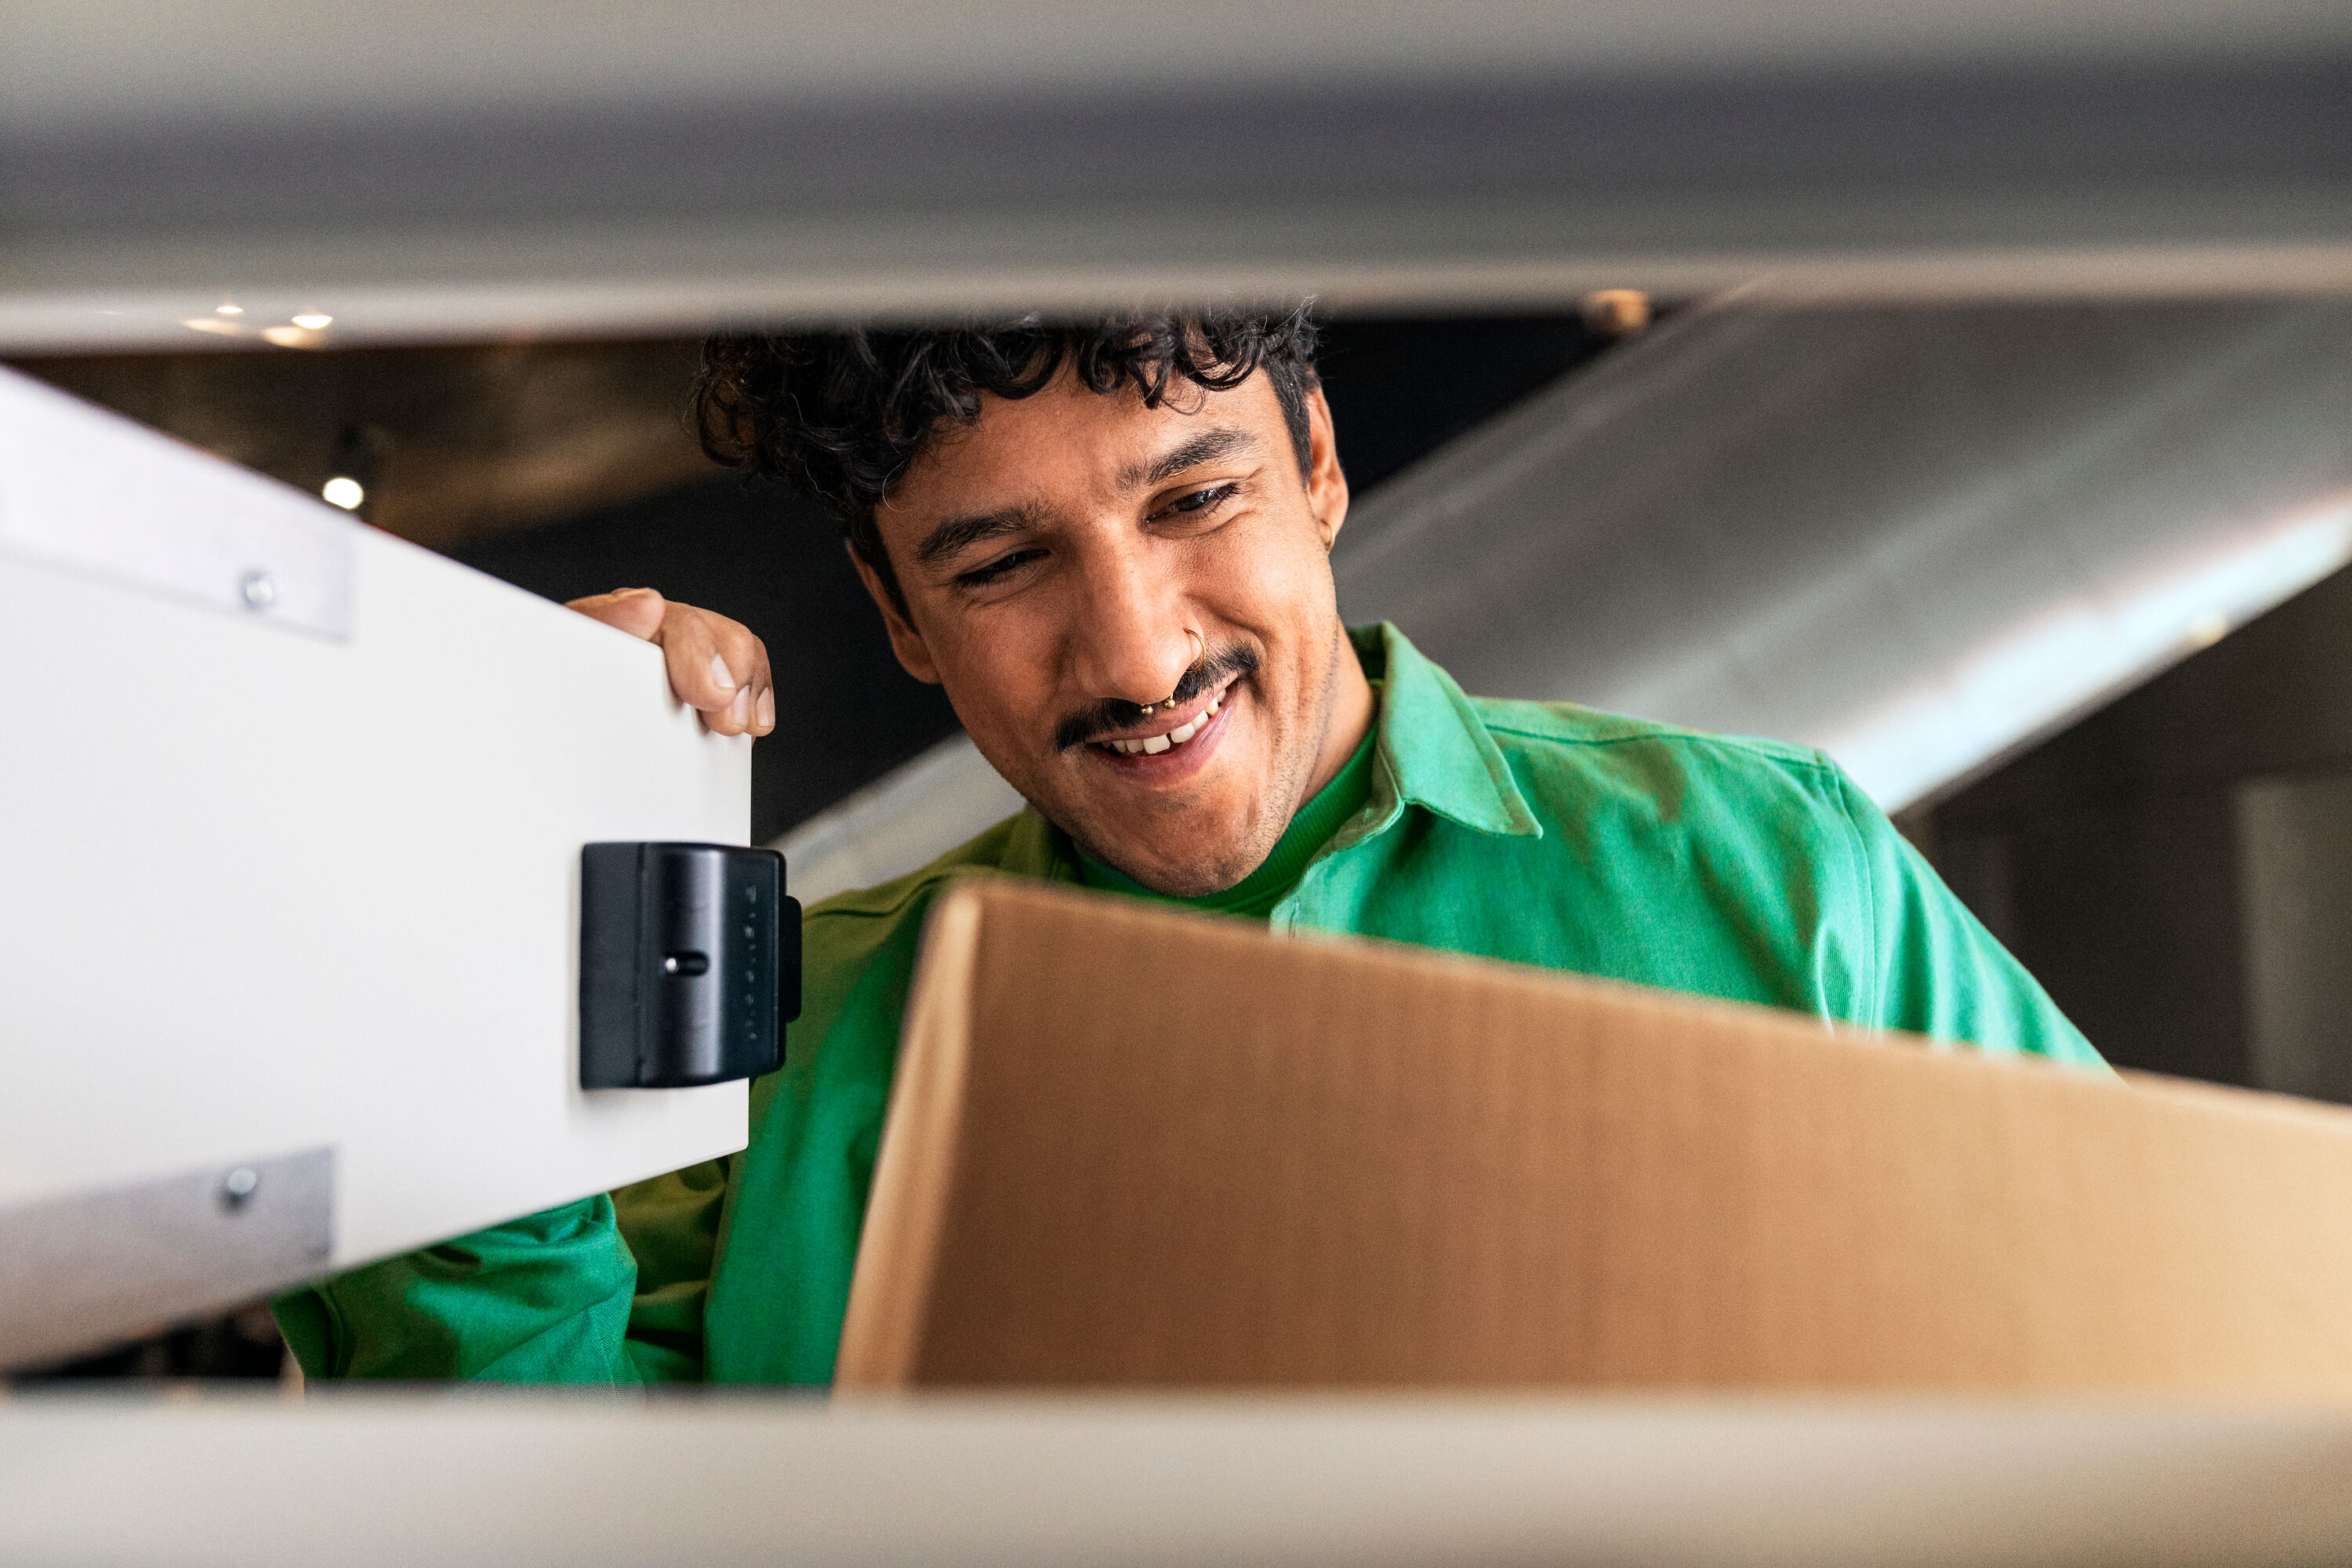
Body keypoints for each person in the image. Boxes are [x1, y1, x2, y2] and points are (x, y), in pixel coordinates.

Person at [274, 309, 2103, 1383]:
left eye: (1197, 497)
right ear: (899, 615)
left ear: (1316, 461)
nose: (1138, 651)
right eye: (999, 566)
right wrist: (482, 922)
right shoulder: (797, 1041)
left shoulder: (1771, 874)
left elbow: (2155, 1364)